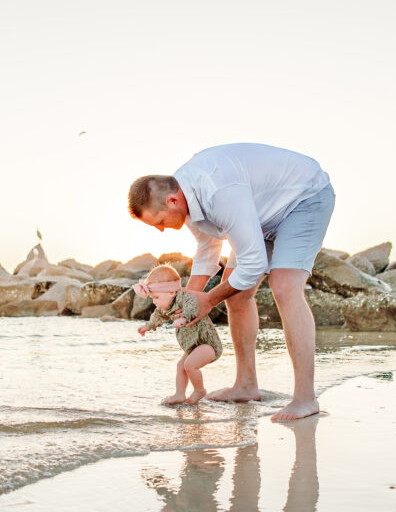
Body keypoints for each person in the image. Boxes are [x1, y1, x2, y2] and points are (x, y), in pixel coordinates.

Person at [128, 143, 335, 420]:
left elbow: (254, 264)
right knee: (237, 294)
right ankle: (246, 385)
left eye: (160, 222)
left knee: (284, 287)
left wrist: (210, 300)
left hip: (304, 198)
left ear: (172, 202)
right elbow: (207, 251)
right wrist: (187, 303)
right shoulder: (184, 196)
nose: (162, 229)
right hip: (260, 214)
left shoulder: (217, 194)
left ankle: (305, 398)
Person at [135, 264, 223, 405]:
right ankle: (179, 394)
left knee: (189, 365)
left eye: (156, 297)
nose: (154, 301)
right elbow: (158, 316)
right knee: (180, 366)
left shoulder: (184, 298)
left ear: (171, 292)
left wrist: (183, 318)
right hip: (192, 346)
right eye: (153, 298)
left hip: (207, 344)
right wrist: (148, 326)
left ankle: (199, 390)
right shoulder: (165, 307)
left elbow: (192, 305)